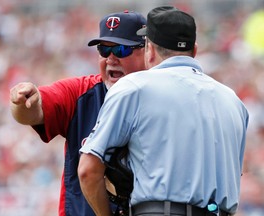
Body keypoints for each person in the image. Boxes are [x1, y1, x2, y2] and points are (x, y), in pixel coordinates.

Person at [78, 6, 249, 216]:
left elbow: (87, 171)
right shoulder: (233, 101)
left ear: (149, 49)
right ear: (194, 51)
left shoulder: (134, 87)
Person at [9, 10, 146, 216]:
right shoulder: (81, 92)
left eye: (121, 49)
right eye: (104, 49)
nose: (110, 58)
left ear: (148, 52)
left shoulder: (160, 98)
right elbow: (30, 114)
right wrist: (22, 102)